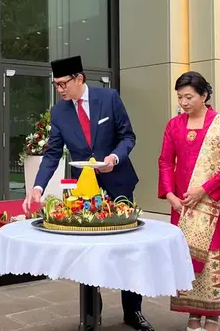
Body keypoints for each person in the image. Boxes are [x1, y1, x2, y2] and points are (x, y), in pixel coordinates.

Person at [22, 56, 153, 331]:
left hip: (118, 183)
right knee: (89, 250)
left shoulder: (109, 98)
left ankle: (134, 311)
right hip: (87, 189)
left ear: (79, 79)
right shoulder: (59, 113)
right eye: (55, 85)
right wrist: (37, 187)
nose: (59, 90)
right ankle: (92, 314)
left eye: (63, 84)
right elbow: (52, 154)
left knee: (126, 249)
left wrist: (114, 159)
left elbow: (128, 136)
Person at [158, 71, 220, 331]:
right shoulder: (174, 125)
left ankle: (212, 315)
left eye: (189, 96)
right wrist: (170, 195)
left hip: (213, 202)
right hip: (182, 204)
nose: (184, 102)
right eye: (180, 97)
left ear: (204, 95)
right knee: (185, 257)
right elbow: (166, 161)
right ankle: (191, 312)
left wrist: (206, 188)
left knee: (213, 259)